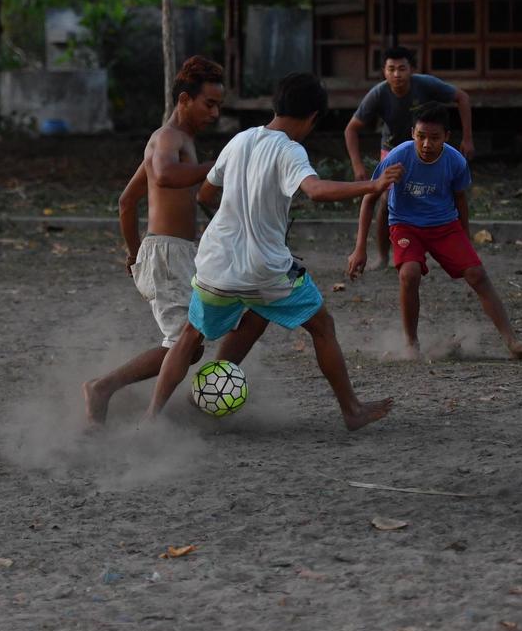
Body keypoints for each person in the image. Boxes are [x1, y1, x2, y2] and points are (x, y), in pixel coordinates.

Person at [144, 72, 402, 431]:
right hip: (267, 269)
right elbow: (315, 190)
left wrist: (233, 223)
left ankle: (150, 420)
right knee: (322, 326)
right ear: (312, 117)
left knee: (190, 335)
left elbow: (204, 194)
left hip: (216, 265)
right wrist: (372, 184)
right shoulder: (290, 150)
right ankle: (352, 411)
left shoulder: (238, 140)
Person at [83, 56, 225, 425]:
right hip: (167, 253)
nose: (215, 113)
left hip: (172, 253)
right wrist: (216, 166)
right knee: (184, 343)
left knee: (190, 346)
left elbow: (126, 202)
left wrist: (133, 255)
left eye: (219, 105)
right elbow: (162, 175)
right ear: (183, 100)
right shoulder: (167, 138)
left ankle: (120, 393)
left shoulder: (182, 140)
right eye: (209, 104)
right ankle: (104, 388)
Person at [346, 103, 522, 362]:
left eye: (434, 138)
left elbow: (460, 199)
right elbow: (369, 198)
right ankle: (411, 344)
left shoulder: (455, 161)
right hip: (405, 225)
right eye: (421, 136)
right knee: (409, 273)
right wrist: (360, 248)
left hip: (443, 225)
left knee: (477, 274)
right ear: (412, 133)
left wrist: (465, 236)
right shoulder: (398, 157)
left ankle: (513, 342)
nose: (426, 144)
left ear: (447, 137)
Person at [344, 46, 473, 263]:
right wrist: (357, 165)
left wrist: (468, 137)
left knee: (443, 192)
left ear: (412, 69)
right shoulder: (378, 93)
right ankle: (384, 256)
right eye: (391, 69)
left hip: (429, 147)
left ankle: (443, 245)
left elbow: (462, 97)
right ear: (384, 72)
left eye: (402, 68)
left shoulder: (426, 84)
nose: (397, 75)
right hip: (393, 149)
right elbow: (351, 129)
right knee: (385, 199)